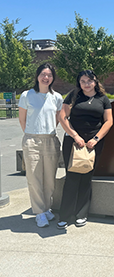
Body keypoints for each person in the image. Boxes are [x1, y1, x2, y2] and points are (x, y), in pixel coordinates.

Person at [57, 70, 113, 229]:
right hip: (73, 143)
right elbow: (62, 117)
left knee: (86, 178)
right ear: (79, 83)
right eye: (83, 81)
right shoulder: (73, 96)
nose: (86, 84)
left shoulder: (103, 99)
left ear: (95, 81)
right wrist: (75, 136)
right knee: (71, 179)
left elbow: (108, 121)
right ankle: (65, 216)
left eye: (89, 81)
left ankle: (81, 214)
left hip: (92, 145)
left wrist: (95, 139)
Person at [18, 63, 63, 227]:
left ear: (53, 78)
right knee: (34, 178)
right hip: (32, 140)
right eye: (43, 74)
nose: (46, 78)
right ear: (37, 76)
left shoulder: (57, 97)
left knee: (50, 179)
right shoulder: (27, 95)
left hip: (50, 139)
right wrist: (31, 134)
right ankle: (39, 212)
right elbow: (22, 119)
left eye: (49, 75)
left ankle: (46, 208)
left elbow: (58, 118)